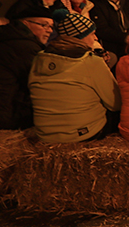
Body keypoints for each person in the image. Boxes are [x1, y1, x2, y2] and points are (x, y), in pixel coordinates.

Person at [29, 10, 120, 143]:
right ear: (80, 37)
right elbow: (115, 103)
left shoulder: (39, 58)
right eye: (92, 34)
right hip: (82, 135)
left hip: (45, 135)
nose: (95, 38)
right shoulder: (90, 61)